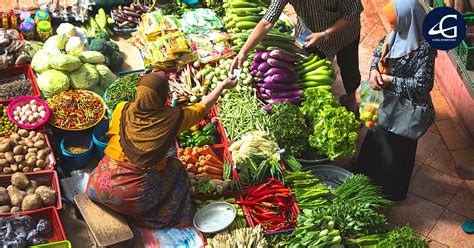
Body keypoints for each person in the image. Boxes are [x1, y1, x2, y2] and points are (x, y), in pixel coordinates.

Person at [85, 71, 236, 229]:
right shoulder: (172, 118)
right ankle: (154, 215)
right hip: (132, 200)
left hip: (97, 188)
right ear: (163, 97)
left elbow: (111, 134)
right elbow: (202, 108)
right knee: (176, 167)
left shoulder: (121, 109)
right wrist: (222, 86)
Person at [356, 0, 437, 201]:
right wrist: (374, 71)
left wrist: (391, 81)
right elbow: (378, 52)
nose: (391, 27)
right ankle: (366, 176)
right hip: (383, 104)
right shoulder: (396, 34)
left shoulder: (425, 49)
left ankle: (391, 191)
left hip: (403, 111)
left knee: (396, 152)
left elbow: (422, 86)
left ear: (408, 21)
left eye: (394, 23)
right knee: (376, 139)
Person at [231, 0, 364, 113]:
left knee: (349, 68)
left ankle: (351, 102)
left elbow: (353, 12)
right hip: (310, 34)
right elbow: (267, 22)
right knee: (308, 68)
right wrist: (243, 51)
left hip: (345, 35)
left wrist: (324, 34)